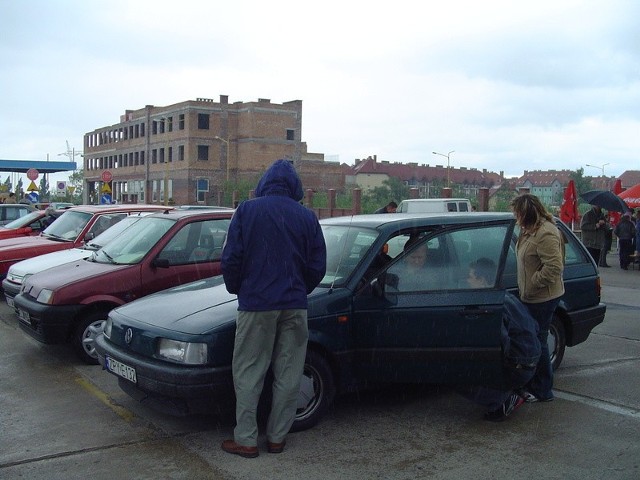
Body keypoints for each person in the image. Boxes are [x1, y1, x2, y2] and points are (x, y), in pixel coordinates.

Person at [220, 159, 327, 458]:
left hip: (256, 305)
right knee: (289, 372)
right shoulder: (307, 217)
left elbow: (231, 259)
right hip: (294, 305)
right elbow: (318, 265)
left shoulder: (247, 210)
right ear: (295, 187)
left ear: (264, 183)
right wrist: (298, 289)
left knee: (248, 373)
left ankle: (247, 439)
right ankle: (278, 437)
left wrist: (239, 288)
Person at [511, 193, 565, 404]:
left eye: (518, 213)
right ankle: (533, 382)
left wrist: (532, 283)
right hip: (530, 295)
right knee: (532, 339)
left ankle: (543, 389)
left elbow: (554, 267)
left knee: (538, 341)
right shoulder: (528, 230)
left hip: (543, 297)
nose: (516, 217)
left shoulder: (546, 233)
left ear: (527, 212)